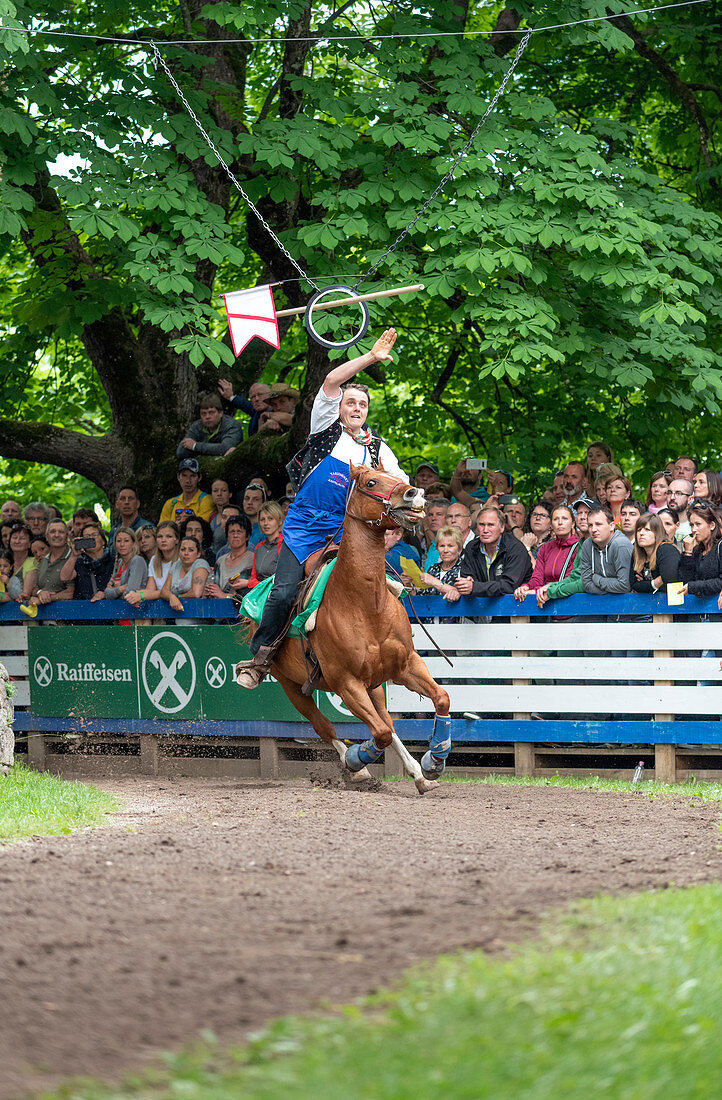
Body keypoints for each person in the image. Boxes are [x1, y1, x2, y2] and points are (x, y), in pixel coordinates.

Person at [236, 328, 405, 687]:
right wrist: (372, 357)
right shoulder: (325, 429)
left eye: (362, 404)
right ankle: (261, 656)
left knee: (382, 584)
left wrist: (413, 504)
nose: (356, 408)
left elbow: (400, 483)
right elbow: (331, 379)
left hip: (345, 531)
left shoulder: (376, 448)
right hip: (303, 528)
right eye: (351, 403)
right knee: (284, 591)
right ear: (340, 408)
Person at [455, 505, 533, 598]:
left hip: (517, 607)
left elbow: (509, 586)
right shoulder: (471, 547)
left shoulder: (515, 548)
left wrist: (475, 587)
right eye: (482, 525)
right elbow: (467, 577)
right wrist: (468, 582)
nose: (485, 530)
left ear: (502, 527)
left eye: (490, 525)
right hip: (482, 607)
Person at [514, 505, 580, 603]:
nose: (560, 523)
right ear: (551, 525)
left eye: (565, 519)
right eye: (556, 519)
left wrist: (536, 591)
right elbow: (537, 578)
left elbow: (569, 580)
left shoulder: (580, 546)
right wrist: (525, 587)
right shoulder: (546, 548)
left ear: (572, 524)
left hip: (570, 604)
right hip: (546, 604)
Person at [578, 505, 633, 594]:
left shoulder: (620, 545)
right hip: (600, 603)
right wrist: (610, 591)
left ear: (611, 526)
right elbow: (587, 584)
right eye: (590, 525)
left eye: (598, 524)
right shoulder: (587, 544)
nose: (593, 530)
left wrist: (596, 578)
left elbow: (624, 585)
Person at [125, 521, 180, 608]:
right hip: (161, 607)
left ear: (176, 540)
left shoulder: (181, 560)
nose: (163, 540)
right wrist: (135, 594)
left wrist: (141, 595)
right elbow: (150, 590)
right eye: (160, 536)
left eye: (168, 536)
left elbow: (166, 591)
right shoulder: (154, 560)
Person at [22, 519, 72, 610]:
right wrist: (40, 592)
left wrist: (45, 598)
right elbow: (34, 589)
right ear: (47, 537)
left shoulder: (74, 557)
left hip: (68, 616)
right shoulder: (43, 560)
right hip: (44, 618)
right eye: (53, 531)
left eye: (61, 532)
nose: (57, 535)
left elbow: (70, 593)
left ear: (67, 536)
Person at [177, 391, 243, 458]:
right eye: (204, 414)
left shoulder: (232, 425)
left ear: (220, 413)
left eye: (211, 413)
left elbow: (225, 448)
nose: (207, 417)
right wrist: (212, 449)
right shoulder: (197, 426)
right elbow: (181, 451)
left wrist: (195, 446)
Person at [679, 501, 722, 599]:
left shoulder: (720, 546)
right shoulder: (697, 551)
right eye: (691, 525)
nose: (694, 529)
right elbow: (686, 581)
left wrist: (692, 587)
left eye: (698, 524)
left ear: (712, 525)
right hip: (697, 612)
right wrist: (688, 553)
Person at [92, 527, 148, 602]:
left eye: (126, 541)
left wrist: (114, 591)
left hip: (136, 608)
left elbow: (130, 593)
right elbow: (107, 593)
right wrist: (121, 589)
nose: (122, 544)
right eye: (119, 541)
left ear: (133, 543)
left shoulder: (137, 561)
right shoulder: (119, 562)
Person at [61, 523, 114, 599]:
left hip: (109, 605)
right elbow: (64, 577)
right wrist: (74, 555)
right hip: (85, 607)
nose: (91, 538)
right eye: (87, 537)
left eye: (94, 534)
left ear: (103, 541)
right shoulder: (80, 563)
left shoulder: (113, 560)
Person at [160, 535, 212, 612]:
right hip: (178, 615)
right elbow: (164, 591)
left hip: (198, 615)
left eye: (191, 550)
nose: (186, 553)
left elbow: (196, 593)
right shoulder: (176, 565)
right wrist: (171, 597)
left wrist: (178, 597)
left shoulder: (200, 563)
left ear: (198, 554)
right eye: (183, 549)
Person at [630, 513, 680, 592]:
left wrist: (646, 584)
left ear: (657, 533)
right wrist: (655, 583)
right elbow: (634, 585)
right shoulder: (637, 553)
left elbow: (670, 583)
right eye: (639, 530)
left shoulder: (667, 550)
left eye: (647, 529)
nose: (641, 533)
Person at [205, 517, 254, 597]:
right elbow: (215, 588)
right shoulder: (220, 560)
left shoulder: (253, 559)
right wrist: (210, 591)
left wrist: (223, 595)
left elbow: (251, 595)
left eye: (239, 532)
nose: (235, 535)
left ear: (247, 536)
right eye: (232, 532)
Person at [159, 458, 214, 524]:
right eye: (184, 475)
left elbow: (200, 528)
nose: (188, 480)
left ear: (199, 478)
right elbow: (162, 530)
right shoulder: (170, 504)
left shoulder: (207, 500)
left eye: (193, 476)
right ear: (178, 477)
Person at [419, 525, 464, 601]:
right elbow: (423, 594)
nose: (445, 550)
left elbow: (462, 593)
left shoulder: (464, 568)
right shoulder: (433, 568)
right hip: (431, 611)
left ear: (459, 549)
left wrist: (434, 581)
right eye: (442, 546)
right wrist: (409, 585)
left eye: (450, 546)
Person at [247, 502, 284, 589]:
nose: (265, 523)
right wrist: (250, 583)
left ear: (280, 521)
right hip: (259, 595)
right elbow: (253, 578)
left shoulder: (284, 545)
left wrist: (248, 583)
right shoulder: (258, 547)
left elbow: (282, 581)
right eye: (262, 519)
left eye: (270, 519)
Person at [7, 524, 35, 601]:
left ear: (29, 544)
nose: (17, 541)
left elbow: (25, 594)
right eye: (14, 538)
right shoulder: (4, 560)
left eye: (22, 538)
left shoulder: (33, 562)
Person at [242, 482, 267, 549]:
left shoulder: (267, 530)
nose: (249, 502)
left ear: (263, 503)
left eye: (255, 499)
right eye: (247, 499)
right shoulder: (237, 528)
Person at [209, 478, 232, 544]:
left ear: (230, 494)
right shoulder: (212, 516)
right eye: (215, 491)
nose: (219, 494)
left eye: (224, 490)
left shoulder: (235, 515)